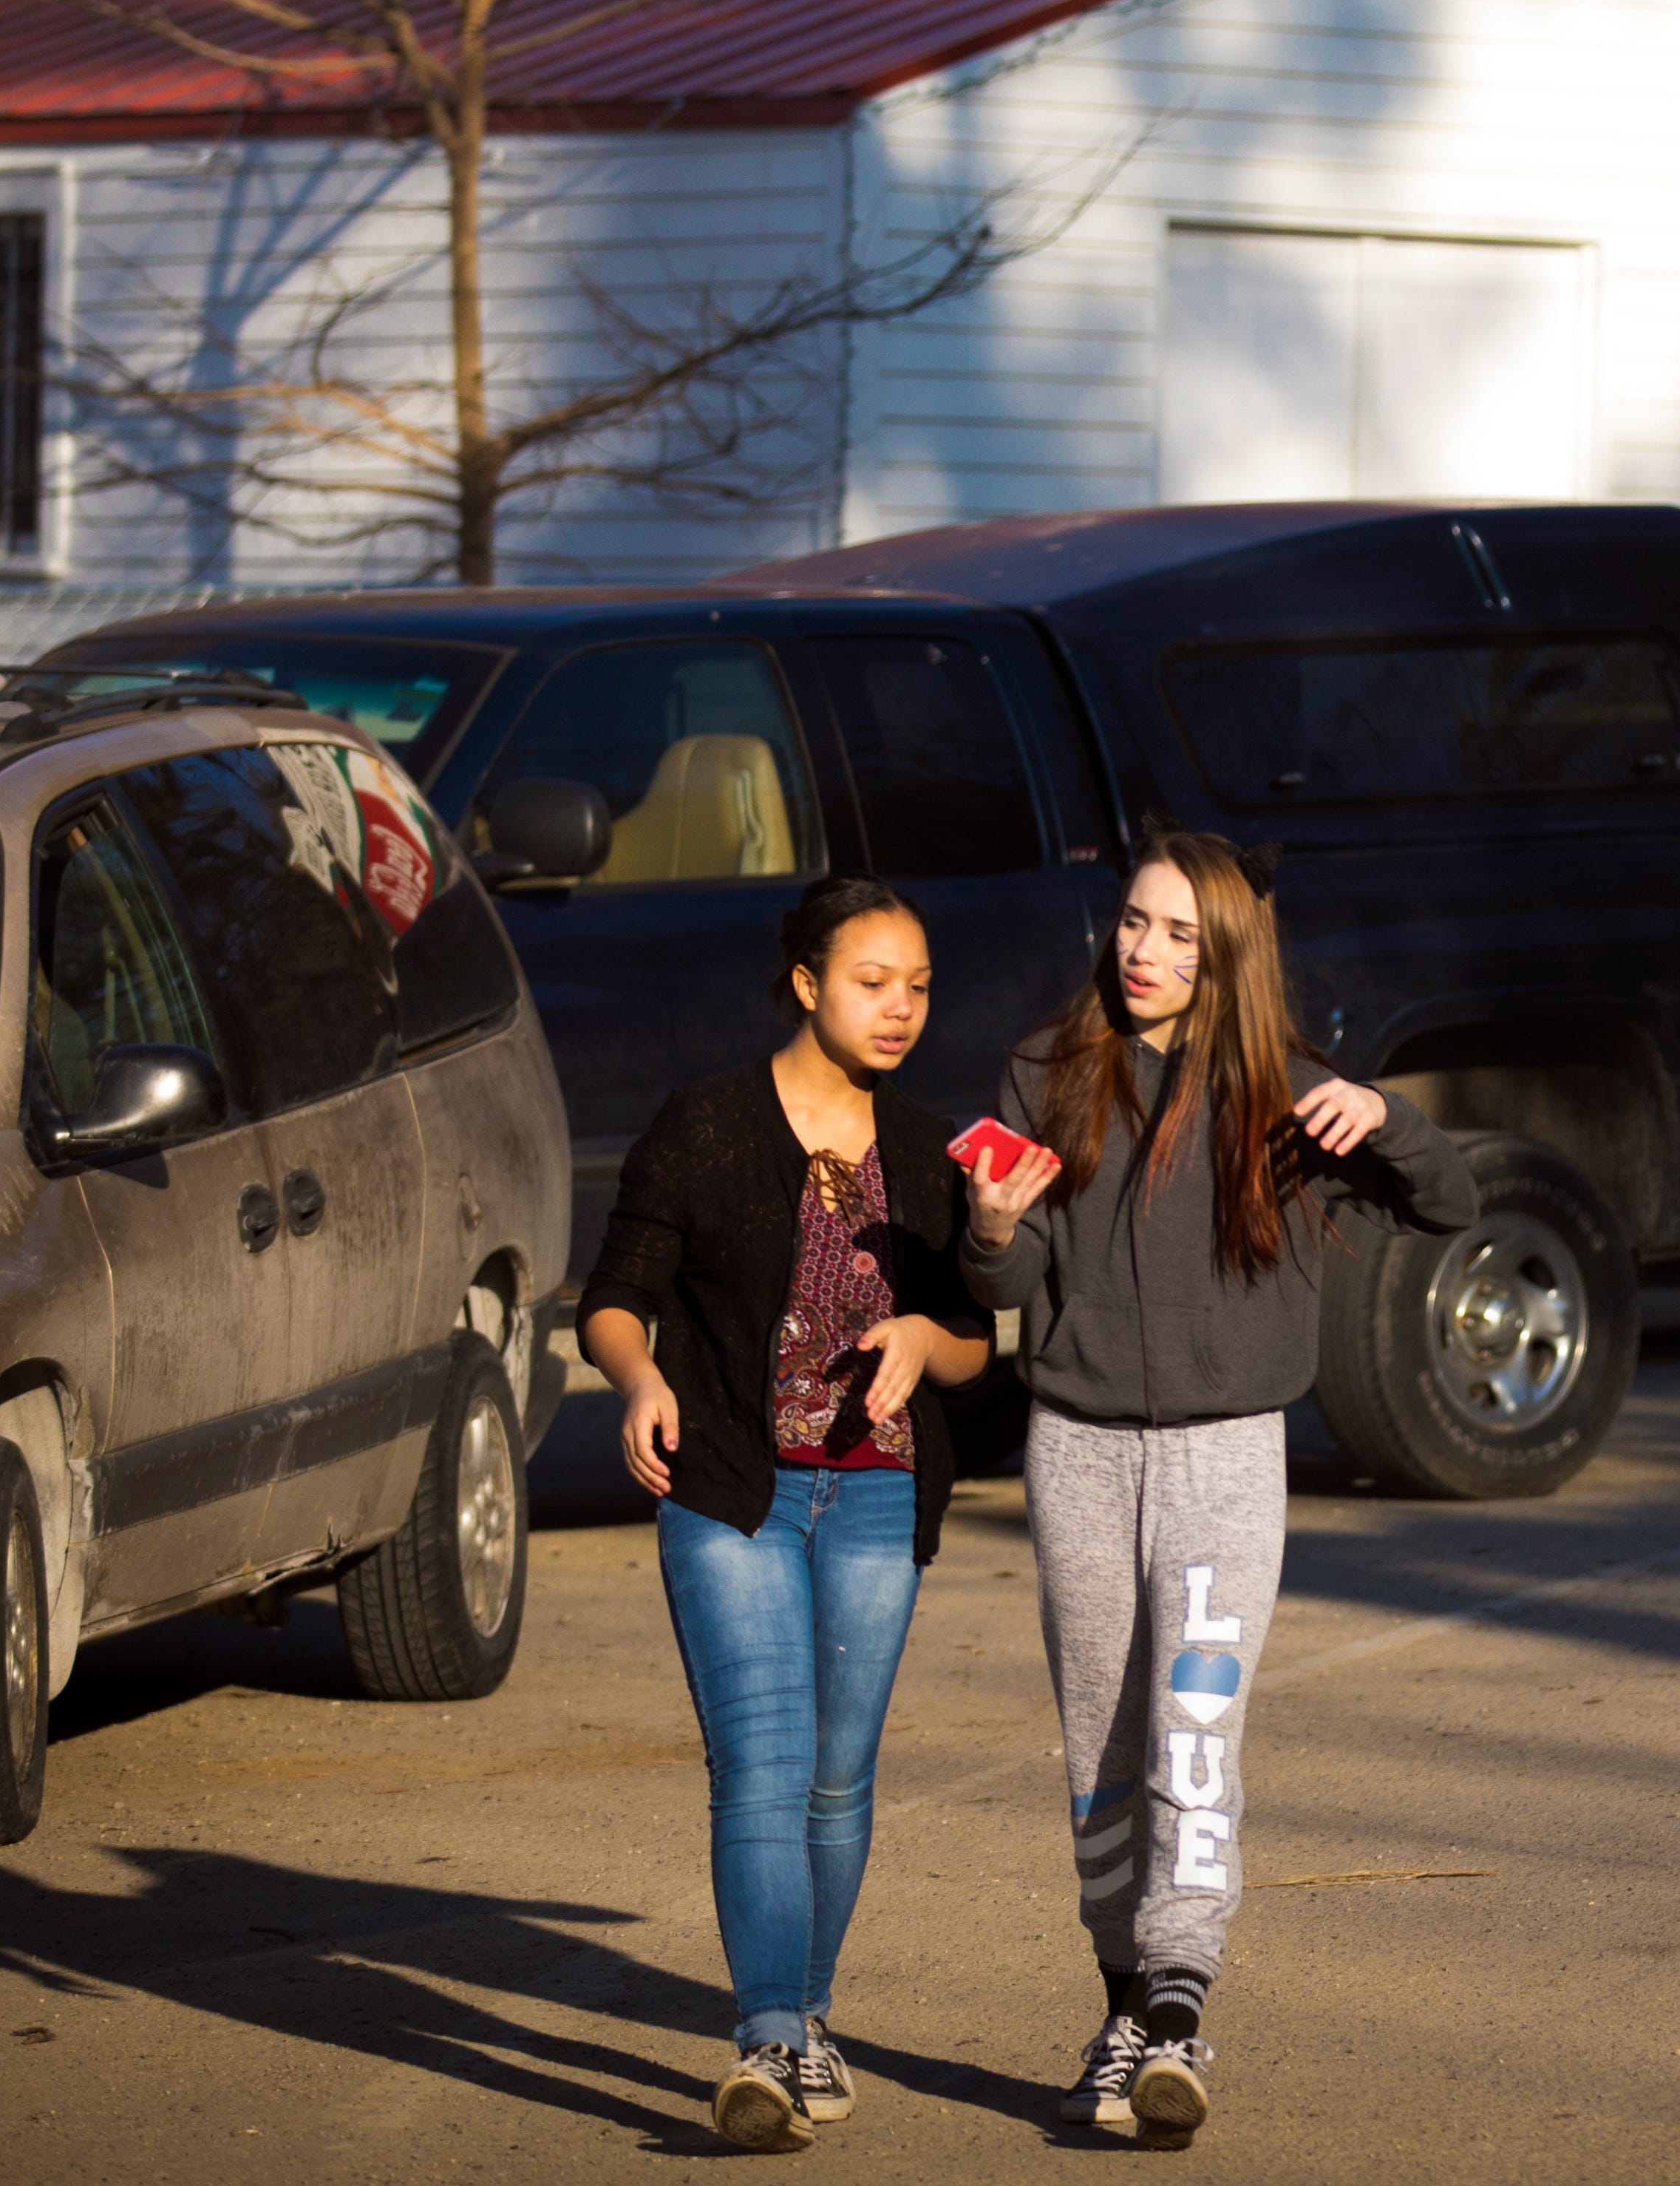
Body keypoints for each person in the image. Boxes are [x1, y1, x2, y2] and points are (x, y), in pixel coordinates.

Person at [959, 825, 1480, 2147]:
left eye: (1182, 935)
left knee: (1194, 1730)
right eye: (1135, 923)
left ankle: (1180, 2009)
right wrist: (993, 1228)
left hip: (1225, 1459)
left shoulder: (1289, 1094)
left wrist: (1393, 1117)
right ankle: (1126, 2003)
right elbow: (1004, 1292)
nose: (1145, 952)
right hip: (1076, 1452)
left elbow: (1451, 1203)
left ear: (1230, 953)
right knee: (1102, 1749)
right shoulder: (1045, 1073)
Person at [580, 877, 993, 2153]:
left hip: (875, 1497)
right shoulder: (703, 1128)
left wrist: (927, 1333)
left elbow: (977, 1342)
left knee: (838, 1778)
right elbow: (612, 1296)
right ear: (807, 983)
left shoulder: (929, 1151)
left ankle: (809, 2016)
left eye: (919, 985)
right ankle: (766, 2038)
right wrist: (640, 1377)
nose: (901, 1008)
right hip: (730, 1494)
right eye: (874, 982)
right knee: (760, 1763)